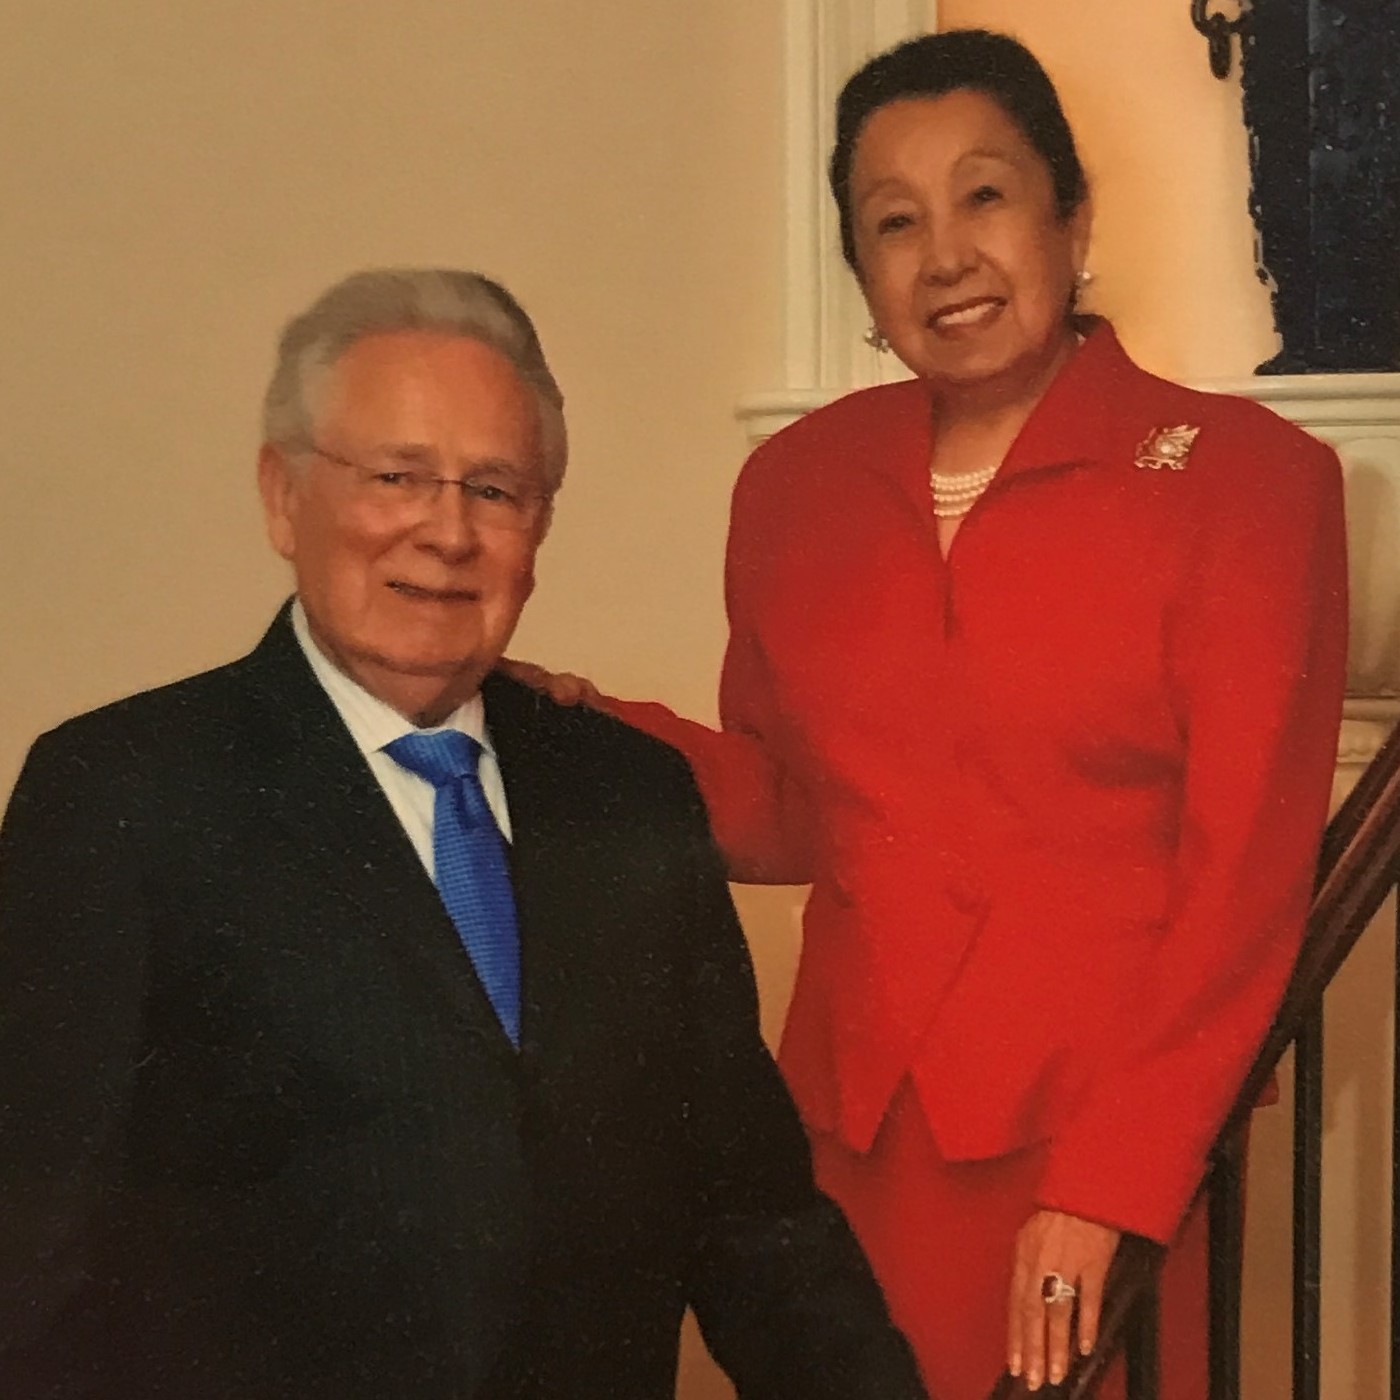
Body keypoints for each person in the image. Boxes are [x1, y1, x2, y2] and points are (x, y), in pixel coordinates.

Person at [509, 30, 1349, 1400]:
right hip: (844, 1141)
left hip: (1097, 1147)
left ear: (1073, 217)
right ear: (861, 274)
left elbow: (1243, 887)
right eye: (892, 222)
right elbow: (793, 806)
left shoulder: (1250, 486)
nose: (944, 254)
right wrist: (592, 732)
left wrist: (1113, 1188)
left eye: (985, 196)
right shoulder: (793, 488)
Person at [0, 268, 930, 1400]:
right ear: (282, 496)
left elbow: (757, 1223)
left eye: (495, 489)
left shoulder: (632, 800)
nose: (446, 531)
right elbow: (35, 1257)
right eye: (396, 476)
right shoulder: (123, 794)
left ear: (539, 526)